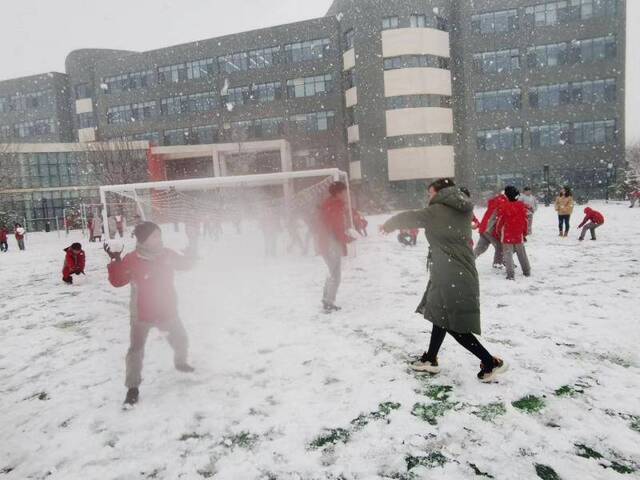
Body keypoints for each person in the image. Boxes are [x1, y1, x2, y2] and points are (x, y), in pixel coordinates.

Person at [381, 178, 507, 382]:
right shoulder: (462, 207)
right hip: (452, 271)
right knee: (440, 315)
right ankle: (430, 359)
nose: (429, 197)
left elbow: (412, 217)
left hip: (451, 273)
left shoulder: (437, 210)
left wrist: (390, 224)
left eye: (430, 193)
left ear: (440, 193)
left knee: (454, 324)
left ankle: (489, 362)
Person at [104, 221, 196, 406]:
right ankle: (132, 388)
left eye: (159, 235)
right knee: (136, 351)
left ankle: (181, 362)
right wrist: (115, 260)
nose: (159, 239)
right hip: (142, 315)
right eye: (155, 236)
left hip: (166, 310)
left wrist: (193, 244)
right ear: (144, 240)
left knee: (181, 339)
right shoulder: (132, 259)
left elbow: (186, 264)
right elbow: (117, 281)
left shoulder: (167, 254)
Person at [317, 181, 356, 313]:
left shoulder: (329, 204)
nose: (346, 194)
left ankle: (326, 299)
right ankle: (328, 301)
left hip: (325, 242)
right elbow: (336, 229)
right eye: (344, 192)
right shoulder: (335, 206)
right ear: (338, 193)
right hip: (331, 243)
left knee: (331, 272)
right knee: (335, 274)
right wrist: (348, 238)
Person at [496, 186, 531, 280]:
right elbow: (525, 222)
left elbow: (500, 222)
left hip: (507, 235)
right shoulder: (521, 206)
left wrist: (498, 231)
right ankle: (526, 271)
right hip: (518, 235)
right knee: (522, 253)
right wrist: (524, 233)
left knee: (508, 255)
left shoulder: (504, 207)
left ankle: (510, 274)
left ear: (507, 196)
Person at [473, 191, 506, 267]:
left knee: (480, 248)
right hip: (490, 229)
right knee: (499, 246)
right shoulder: (504, 203)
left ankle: (468, 260)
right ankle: (497, 264)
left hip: (484, 227)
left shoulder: (495, 201)